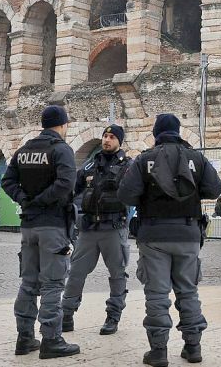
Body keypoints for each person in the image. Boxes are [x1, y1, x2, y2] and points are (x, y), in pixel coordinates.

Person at [118, 113, 221, 367]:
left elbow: (126, 195)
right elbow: (214, 189)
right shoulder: (196, 158)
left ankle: (158, 351)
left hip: (154, 235)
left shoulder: (144, 159)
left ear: (156, 133)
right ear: (178, 131)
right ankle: (193, 347)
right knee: (188, 291)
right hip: (188, 233)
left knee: (157, 294)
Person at [0, 105, 81, 359]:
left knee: (29, 282)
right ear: (63, 125)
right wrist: (42, 200)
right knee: (53, 283)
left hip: (29, 225)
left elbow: (7, 181)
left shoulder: (24, 150)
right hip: (52, 224)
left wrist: (24, 199)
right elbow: (66, 183)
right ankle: (51, 339)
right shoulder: (61, 150)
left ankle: (24, 338)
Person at [62, 124, 132, 336]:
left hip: (114, 228)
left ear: (119, 141)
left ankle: (113, 316)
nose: (107, 140)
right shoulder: (91, 164)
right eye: (105, 136)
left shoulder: (128, 165)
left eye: (112, 137)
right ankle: (66, 314)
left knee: (117, 274)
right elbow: (74, 190)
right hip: (89, 228)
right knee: (76, 272)